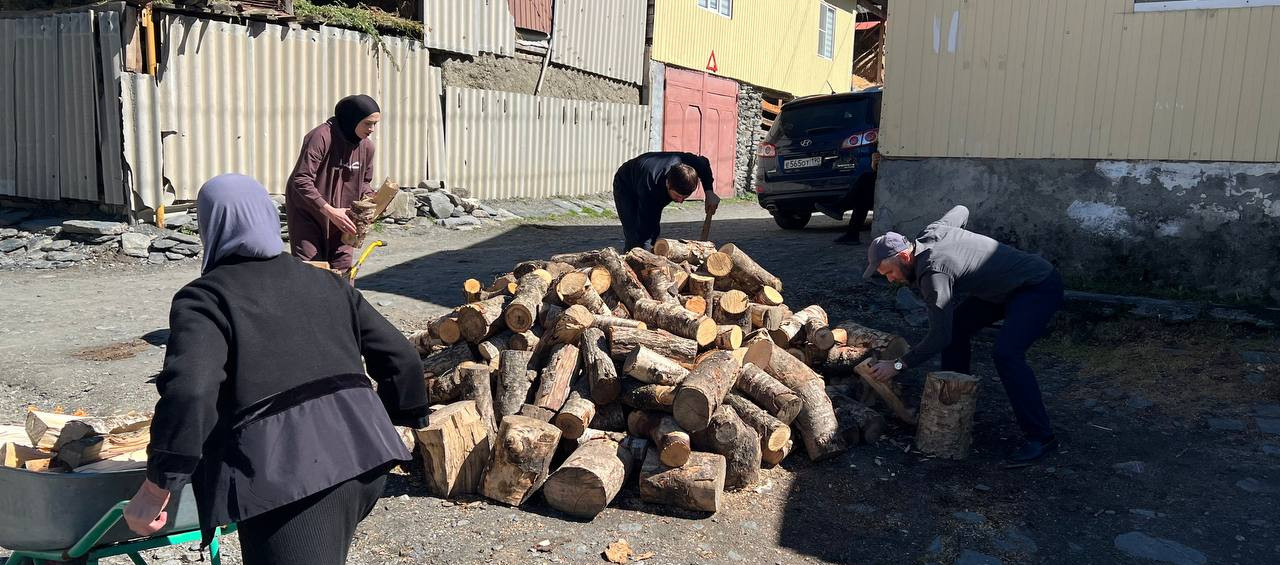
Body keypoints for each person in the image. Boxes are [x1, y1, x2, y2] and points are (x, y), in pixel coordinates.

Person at [123, 174, 428, 564]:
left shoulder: (206, 298)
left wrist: (157, 487)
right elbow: (400, 355)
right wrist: (399, 418)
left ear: (209, 227)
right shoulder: (327, 283)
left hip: (288, 478)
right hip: (365, 461)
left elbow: (192, 390)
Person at [863, 205, 1064, 465]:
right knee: (958, 328)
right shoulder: (930, 233)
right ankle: (955, 406)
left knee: (1006, 354)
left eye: (889, 272)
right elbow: (961, 210)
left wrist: (899, 365)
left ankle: (1041, 437)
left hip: (1037, 286)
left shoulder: (933, 273)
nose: (890, 280)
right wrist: (968, 257)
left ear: (904, 256)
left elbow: (939, 336)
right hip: (1002, 290)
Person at [285, 94, 382, 272]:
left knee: (343, 271)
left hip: (344, 219)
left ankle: (343, 301)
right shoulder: (321, 137)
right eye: (368, 123)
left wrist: (373, 199)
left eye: (375, 123)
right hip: (310, 215)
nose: (373, 129)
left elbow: (364, 184)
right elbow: (301, 179)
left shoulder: (367, 147)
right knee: (311, 271)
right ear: (352, 119)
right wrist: (329, 211)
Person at [612, 151, 720, 251]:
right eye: (677, 196)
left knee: (651, 233)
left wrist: (709, 192)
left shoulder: (690, 163)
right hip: (626, 185)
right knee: (634, 233)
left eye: (685, 197)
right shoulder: (651, 188)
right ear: (668, 184)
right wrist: (647, 254)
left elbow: (704, 164)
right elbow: (646, 227)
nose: (681, 201)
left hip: (647, 179)